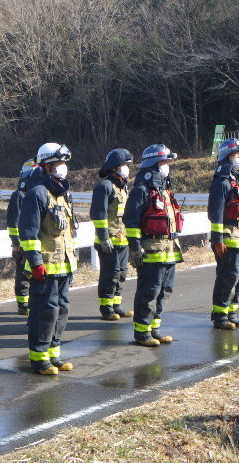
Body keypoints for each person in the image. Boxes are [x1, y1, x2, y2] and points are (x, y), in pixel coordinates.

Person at [19, 142, 77, 375]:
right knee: (45, 311)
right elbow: (28, 232)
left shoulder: (61, 193)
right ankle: (39, 357)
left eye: (64, 163)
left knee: (61, 308)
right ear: (46, 166)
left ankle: (54, 352)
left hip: (63, 263)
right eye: (58, 163)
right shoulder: (37, 193)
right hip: (44, 266)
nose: (63, 167)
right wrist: (35, 262)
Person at [123, 144, 183, 347]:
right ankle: (142, 333)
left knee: (165, 290)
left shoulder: (164, 190)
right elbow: (130, 221)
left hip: (169, 250)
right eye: (164, 162)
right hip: (151, 251)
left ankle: (154, 329)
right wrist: (135, 248)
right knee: (149, 292)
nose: (167, 167)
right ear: (154, 165)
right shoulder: (141, 190)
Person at [208, 138, 239, 330]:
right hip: (228, 237)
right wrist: (217, 241)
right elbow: (215, 214)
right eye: (235, 155)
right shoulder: (221, 183)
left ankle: (231, 313)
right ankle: (220, 316)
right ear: (225, 158)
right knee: (228, 276)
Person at [90, 149, 134, 321]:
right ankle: (106, 307)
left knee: (122, 273)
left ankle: (116, 305)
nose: (126, 169)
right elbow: (98, 214)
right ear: (114, 167)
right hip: (108, 241)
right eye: (123, 165)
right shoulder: (104, 186)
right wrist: (104, 237)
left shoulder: (122, 187)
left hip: (122, 239)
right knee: (110, 274)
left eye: (127, 165)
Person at [6, 158, 39, 315]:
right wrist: (17, 244)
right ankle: (23, 304)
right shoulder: (20, 195)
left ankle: (31, 301)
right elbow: (13, 223)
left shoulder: (36, 195)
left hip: (34, 242)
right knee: (23, 274)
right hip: (22, 243)